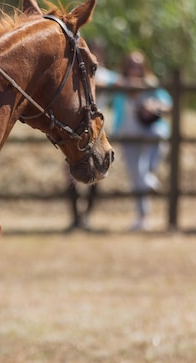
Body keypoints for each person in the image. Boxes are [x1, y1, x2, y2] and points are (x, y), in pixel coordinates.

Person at [110, 51, 171, 231]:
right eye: (131, 65)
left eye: (138, 65)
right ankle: (142, 216)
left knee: (159, 138)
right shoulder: (120, 84)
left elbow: (168, 103)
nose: (134, 69)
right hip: (127, 133)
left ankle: (150, 175)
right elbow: (103, 75)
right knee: (136, 176)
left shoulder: (151, 85)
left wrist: (154, 106)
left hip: (150, 130)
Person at [66, 40, 118, 231]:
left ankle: (86, 216)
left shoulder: (102, 74)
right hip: (79, 128)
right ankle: (76, 217)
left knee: (97, 172)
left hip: (99, 128)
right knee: (70, 174)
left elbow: (118, 81)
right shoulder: (80, 71)